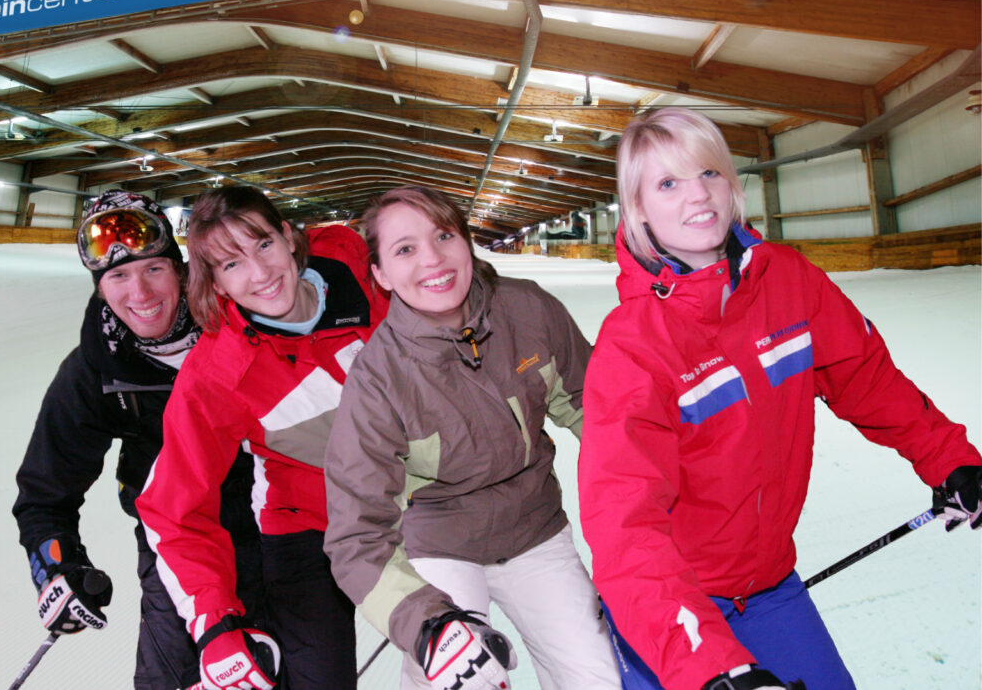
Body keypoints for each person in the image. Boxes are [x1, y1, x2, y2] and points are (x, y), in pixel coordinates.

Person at [577, 107, 982, 690]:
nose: (699, 197)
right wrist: (712, 669)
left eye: (710, 174)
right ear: (638, 208)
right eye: (668, 183)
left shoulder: (788, 282)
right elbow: (625, 526)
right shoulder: (634, 346)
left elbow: (865, 379)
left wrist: (951, 459)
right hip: (674, 610)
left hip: (769, 590)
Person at [323, 185, 622, 690]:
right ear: (381, 275)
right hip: (440, 543)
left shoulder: (529, 311)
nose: (433, 260)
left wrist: (658, 503)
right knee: (460, 680)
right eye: (404, 249)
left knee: (599, 677)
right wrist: (428, 625)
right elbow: (357, 535)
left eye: (444, 235)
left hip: (534, 531)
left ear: (466, 240)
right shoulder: (378, 379)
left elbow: (597, 412)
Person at [135, 186, 390, 690]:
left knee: (452, 654)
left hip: (418, 505)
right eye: (231, 265)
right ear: (216, 284)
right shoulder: (217, 372)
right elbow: (173, 508)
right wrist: (215, 623)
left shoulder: (358, 272)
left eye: (264, 246)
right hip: (308, 527)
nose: (260, 274)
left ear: (290, 239)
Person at [13, 190, 264, 690]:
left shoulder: (241, 324)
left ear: (181, 270)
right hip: (174, 541)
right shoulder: (96, 370)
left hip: (280, 528)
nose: (141, 293)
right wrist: (57, 570)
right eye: (118, 276)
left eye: (154, 270)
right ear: (100, 288)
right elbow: (46, 494)